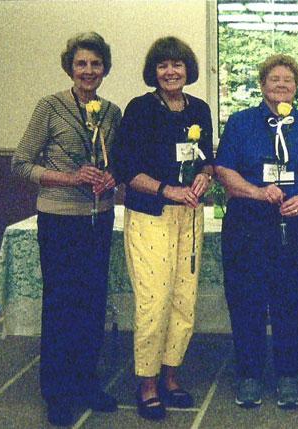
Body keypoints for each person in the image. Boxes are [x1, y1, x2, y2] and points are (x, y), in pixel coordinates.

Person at [11, 32, 121, 426]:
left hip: (99, 217)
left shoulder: (112, 112)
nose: (88, 71)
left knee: (92, 303)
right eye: (81, 64)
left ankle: (87, 381)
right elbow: (21, 163)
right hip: (59, 218)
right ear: (70, 68)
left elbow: (116, 162)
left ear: (104, 68)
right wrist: (69, 178)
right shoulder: (50, 107)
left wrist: (111, 178)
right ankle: (57, 392)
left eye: (95, 64)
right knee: (61, 306)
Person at [215, 54, 298, 410]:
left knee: (292, 302)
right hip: (247, 226)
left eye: (288, 80)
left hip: (295, 227)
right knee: (246, 301)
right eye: (274, 79)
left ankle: (287, 375)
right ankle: (249, 375)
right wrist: (256, 191)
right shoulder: (240, 123)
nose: (281, 85)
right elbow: (223, 170)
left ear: (296, 86)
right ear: (262, 84)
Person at [111, 36, 214, 421]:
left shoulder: (199, 109)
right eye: (162, 66)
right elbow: (125, 169)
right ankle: (148, 382)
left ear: (188, 70)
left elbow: (207, 158)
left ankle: (172, 376)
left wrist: (205, 176)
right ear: (153, 72)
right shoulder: (140, 109)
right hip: (151, 214)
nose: (171, 72)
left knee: (184, 300)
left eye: (177, 65)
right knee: (154, 301)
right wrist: (167, 189)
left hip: (189, 215)